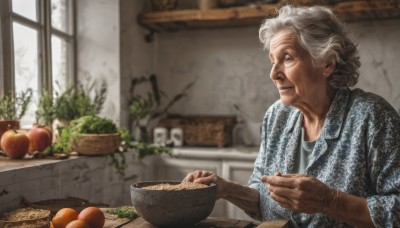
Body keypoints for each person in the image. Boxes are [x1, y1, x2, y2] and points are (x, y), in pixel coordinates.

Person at [183, 4, 400, 227]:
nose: (274, 74)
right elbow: (265, 200)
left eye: (287, 59)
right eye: (272, 61)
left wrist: (330, 201)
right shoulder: (277, 116)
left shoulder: (373, 117)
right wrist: (228, 189)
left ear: (327, 63)